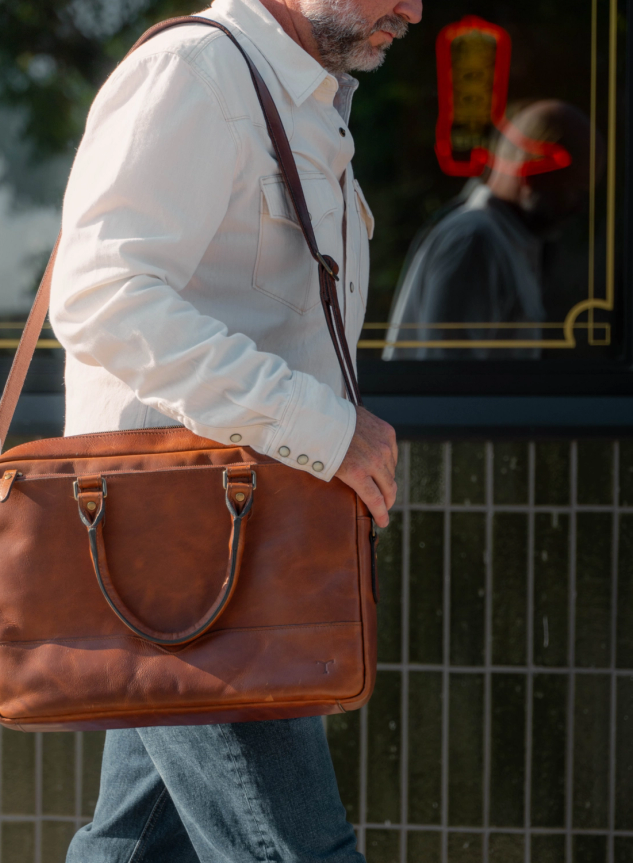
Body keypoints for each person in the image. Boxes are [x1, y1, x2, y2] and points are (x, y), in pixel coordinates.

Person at [49, 0, 421, 859]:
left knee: (132, 845)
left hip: (236, 550)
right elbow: (104, 297)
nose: (411, 9)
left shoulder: (304, 102)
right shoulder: (195, 75)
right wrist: (324, 431)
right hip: (192, 559)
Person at [383, 100, 602, 360]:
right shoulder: (476, 241)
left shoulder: (499, 239)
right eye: (574, 190)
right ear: (532, 175)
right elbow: (449, 381)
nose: (579, 208)